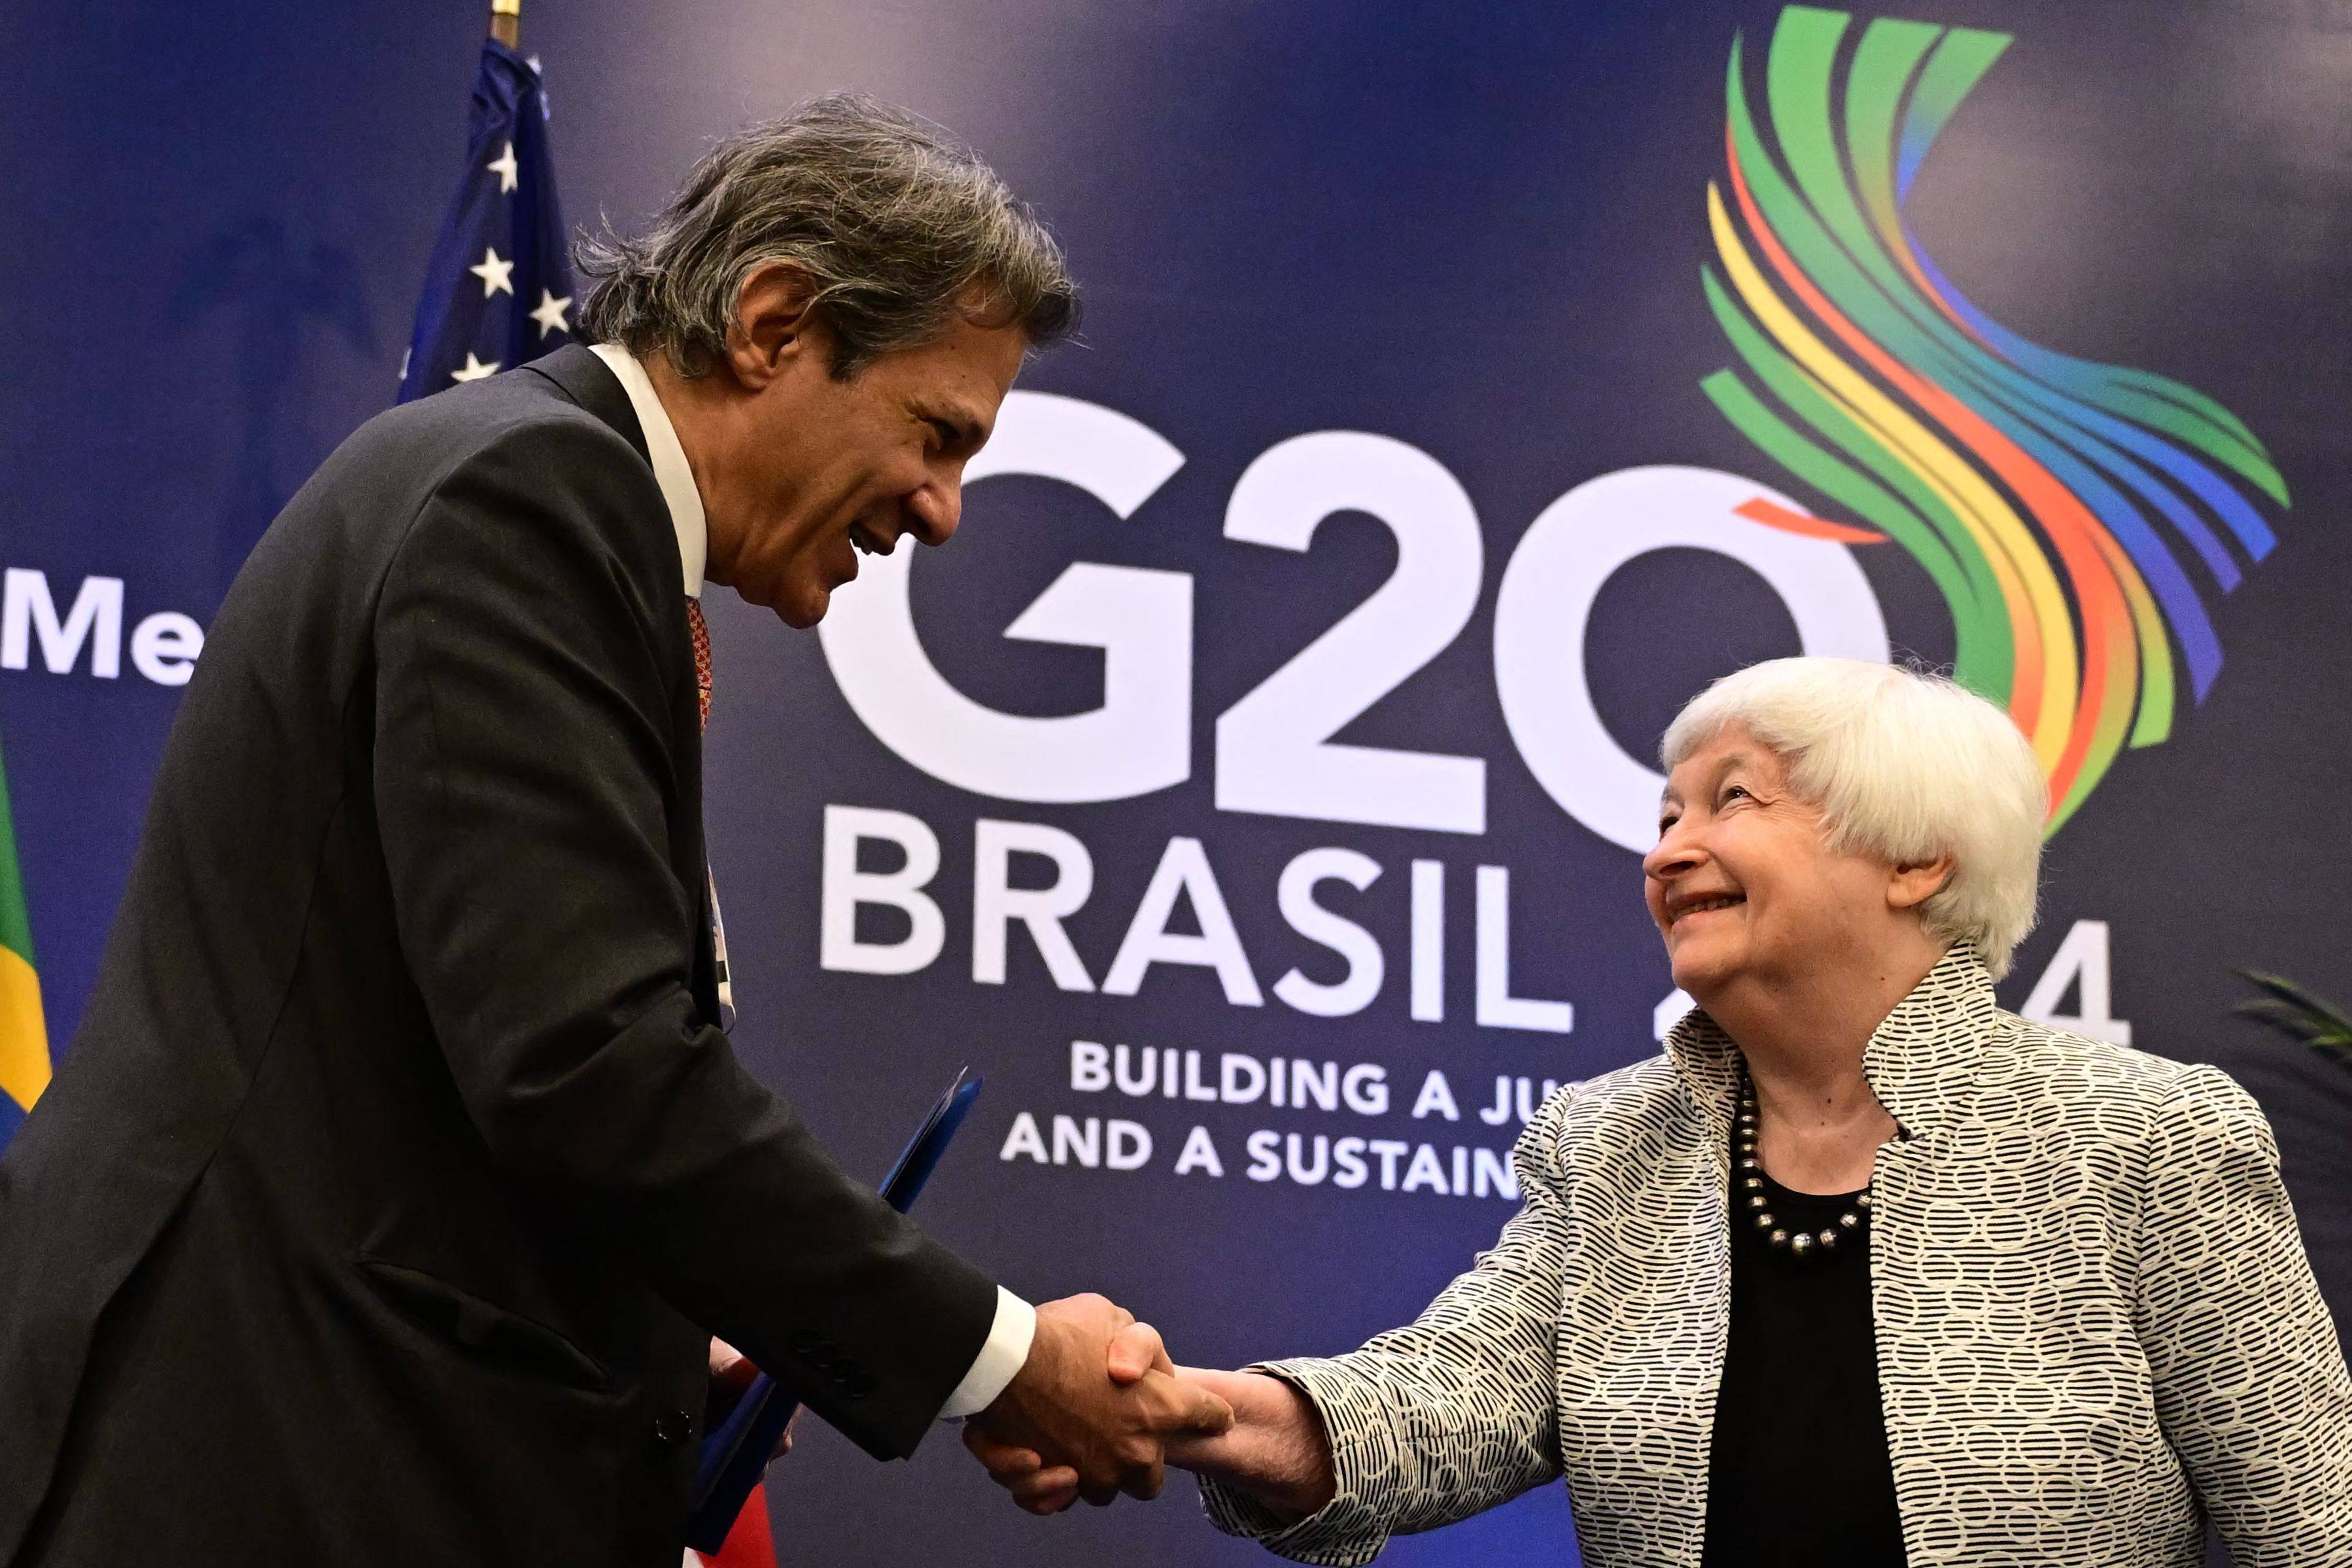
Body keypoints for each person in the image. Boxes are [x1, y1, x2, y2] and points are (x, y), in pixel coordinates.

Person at [0, 96, 1224, 1568]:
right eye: (936, 431)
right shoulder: (526, 502)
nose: (948, 508)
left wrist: (670, 1331)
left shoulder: (555, 509)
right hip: (265, 1466)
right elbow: (587, 1071)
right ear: (774, 324)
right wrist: (999, 1354)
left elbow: (445, 1078)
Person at [970, 657, 2352, 1565]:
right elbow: (1443, 1401)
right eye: (1662, 812)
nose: (1666, 847)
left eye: (1729, 802)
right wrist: (1197, 1407)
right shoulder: (1608, 1145)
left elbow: (2316, 1523)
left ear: (1918, 856)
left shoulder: (2146, 1135)